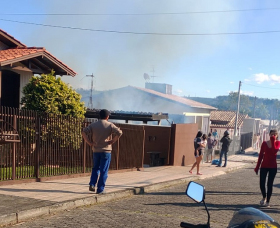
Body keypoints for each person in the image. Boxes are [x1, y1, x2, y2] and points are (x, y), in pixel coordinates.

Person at [82, 109, 123, 194]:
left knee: (95, 168)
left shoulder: (93, 125)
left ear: (99, 116)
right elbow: (119, 132)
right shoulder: (110, 125)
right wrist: (112, 140)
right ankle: (100, 189)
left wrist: (89, 142)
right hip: (106, 150)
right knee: (104, 170)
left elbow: (84, 132)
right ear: (107, 117)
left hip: (96, 150)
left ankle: (92, 184)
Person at [254, 129, 280, 207]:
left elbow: (274, 151)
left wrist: (273, 141)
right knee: (262, 183)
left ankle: (268, 201)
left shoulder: (278, 143)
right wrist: (257, 167)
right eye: (272, 134)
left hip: (273, 167)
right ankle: (264, 197)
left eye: (275, 134)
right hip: (264, 166)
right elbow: (261, 155)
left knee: (269, 184)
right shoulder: (264, 143)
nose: (273, 136)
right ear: (269, 135)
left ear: (277, 136)